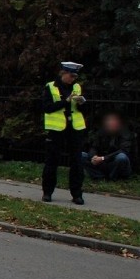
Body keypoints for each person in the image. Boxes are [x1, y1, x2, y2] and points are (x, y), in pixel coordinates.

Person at [42, 61, 87, 205]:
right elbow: (47, 108)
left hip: (74, 128)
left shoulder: (77, 87)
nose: (73, 79)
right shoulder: (51, 87)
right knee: (52, 161)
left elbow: (83, 110)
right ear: (63, 73)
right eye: (71, 76)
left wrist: (82, 103)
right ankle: (47, 192)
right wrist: (65, 101)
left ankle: (77, 194)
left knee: (77, 162)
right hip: (56, 129)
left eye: (75, 77)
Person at [83, 113, 134, 180]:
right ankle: (99, 176)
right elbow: (94, 147)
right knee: (82, 155)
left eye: (113, 121)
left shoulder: (125, 133)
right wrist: (94, 156)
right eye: (109, 121)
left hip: (113, 161)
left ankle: (114, 178)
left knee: (122, 157)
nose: (111, 123)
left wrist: (103, 158)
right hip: (102, 162)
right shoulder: (101, 132)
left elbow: (124, 150)